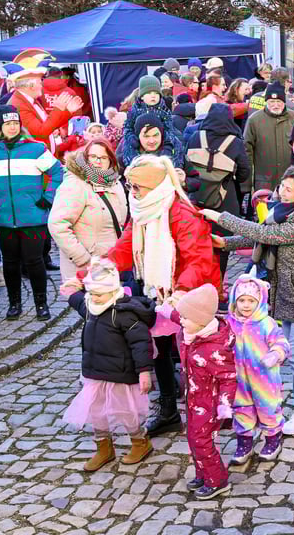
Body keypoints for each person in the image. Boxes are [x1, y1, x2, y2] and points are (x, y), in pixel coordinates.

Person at [206, 164, 294, 435]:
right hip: (289, 291)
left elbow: (266, 235)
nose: (283, 192)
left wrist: (221, 217)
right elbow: (262, 236)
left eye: (290, 189)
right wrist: (226, 243)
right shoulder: (283, 211)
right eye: (282, 187)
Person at [106, 155, 220, 436]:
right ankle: (169, 410)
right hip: (157, 291)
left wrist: (180, 290)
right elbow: (124, 247)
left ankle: (213, 408)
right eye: (130, 186)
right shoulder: (143, 209)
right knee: (158, 351)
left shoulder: (180, 212)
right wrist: (99, 271)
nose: (132, 192)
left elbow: (199, 258)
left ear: (153, 185)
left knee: (195, 353)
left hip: (187, 294)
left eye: (136, 187)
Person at [60, 258, 156, 472]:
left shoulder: (123, 313)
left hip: (121, 374)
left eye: (98, 294)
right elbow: (78, 300)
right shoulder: (90, 306)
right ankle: (104, 447)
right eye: (91, 294)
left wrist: (144, 372)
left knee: (126, 411)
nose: (94, 298)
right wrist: (72, 290)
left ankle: (140, 442)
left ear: (113, 291)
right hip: (95, 372)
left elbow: (141, 344)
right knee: (97, 411)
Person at [0, 105, 63, 320]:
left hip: (33, 218)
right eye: (8, 124)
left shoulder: (35, 149)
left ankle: (41, 304)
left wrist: (48, 197)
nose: (12, 127)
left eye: (15, 123)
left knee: (35, 261)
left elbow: (57, 171)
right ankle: (14, 303)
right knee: (10, 262)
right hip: (3, 219)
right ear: (0, 127)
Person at [173, 284, 237, 500]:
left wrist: (225, 404)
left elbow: (228, 377)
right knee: (193, 438)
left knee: (202, 440)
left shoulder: (213, 348)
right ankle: (202, 472)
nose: (181, 321)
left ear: (200, 320)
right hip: (193, 398)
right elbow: (179, 314)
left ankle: (217, 480)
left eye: (185, 318)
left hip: (208, 405)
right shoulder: (194, 334)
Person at [224, 274, 291, 463]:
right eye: (242, 300)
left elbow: (281, 342)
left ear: (260, 301)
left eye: (251, 301)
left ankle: (272, 440)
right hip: (238, 379)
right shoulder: (230, 323)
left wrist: (275, 354)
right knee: (241, 409)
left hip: (264, 378)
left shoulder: (266, 323)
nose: (246, 305)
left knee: (268, 408)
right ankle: (244, 443)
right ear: (234, 301)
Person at [49, 139, 129, 283]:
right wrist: (83, 259)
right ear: (85, 157)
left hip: (109, 265)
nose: (98, 161)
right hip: (85, 269)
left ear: (110, 160)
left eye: (104, 157)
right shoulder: (75, 184)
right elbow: (57, 225)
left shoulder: (114, 182)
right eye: (93, 156)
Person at [187, 103, 253, 276]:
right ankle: (217, 285)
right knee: (222, 245)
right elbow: (245, 172)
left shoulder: (195, 137)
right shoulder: (235, 142)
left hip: (196, 197)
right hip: (225, 199)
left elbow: (186, 163)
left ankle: (198, 281)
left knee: (196, 243)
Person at [117, 77, 187, 169]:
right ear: (142, 96)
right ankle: (134, 168)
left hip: (161, 142)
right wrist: (131, 137)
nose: (153, 96)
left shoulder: (164, 111)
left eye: (156, 93)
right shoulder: (135, 110)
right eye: (149, 93)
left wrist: (168, 144)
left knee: (175, 147)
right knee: (128, 149)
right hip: (137, 142)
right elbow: (127, 126)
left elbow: (169, 127)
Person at [244, 83, 294, 192]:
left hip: (291, 182)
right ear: (266, 102)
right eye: (272, 102)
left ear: (284, 102)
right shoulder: (254, 120)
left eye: (279, 101)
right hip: (264, 184)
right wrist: (246, 185)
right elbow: (247, 151)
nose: (275, 105)